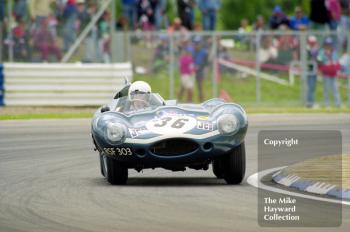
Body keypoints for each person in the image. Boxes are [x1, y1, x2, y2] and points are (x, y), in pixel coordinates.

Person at [317, 37, 342, 108]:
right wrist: (324, 57)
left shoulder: (334, 52)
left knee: (335, 89)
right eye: (327, 44)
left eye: (329, 45)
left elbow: (337, 62)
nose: (328, 46)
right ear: (324, 45)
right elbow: (319, 61)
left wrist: (337, 69)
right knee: (326, 90)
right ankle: (327, 104)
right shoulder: (322, 52)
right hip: (326, 74)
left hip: (333, 74)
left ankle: (338, 104)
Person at [191, 36, 208, 102]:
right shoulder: (191, 51)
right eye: (195, 43)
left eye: (197, 43)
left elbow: (206, 63)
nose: (196, 45)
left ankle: (202, 102)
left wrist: (200, 67)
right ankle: (187, 102)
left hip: (200, 71)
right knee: (188, 87)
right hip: (191, 71)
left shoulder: (204, 52)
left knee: (200, 87)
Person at [306, 36, 319, 108]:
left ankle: (310, 102)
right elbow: (312, 57)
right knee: (310, 87)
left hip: (313, 71)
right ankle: (310, 103)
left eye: (313, 43)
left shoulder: (314, 49)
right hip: (309, 71)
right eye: (311, 43)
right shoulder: (307, 49)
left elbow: (317, 59)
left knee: (312, 87)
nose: (312, 44)